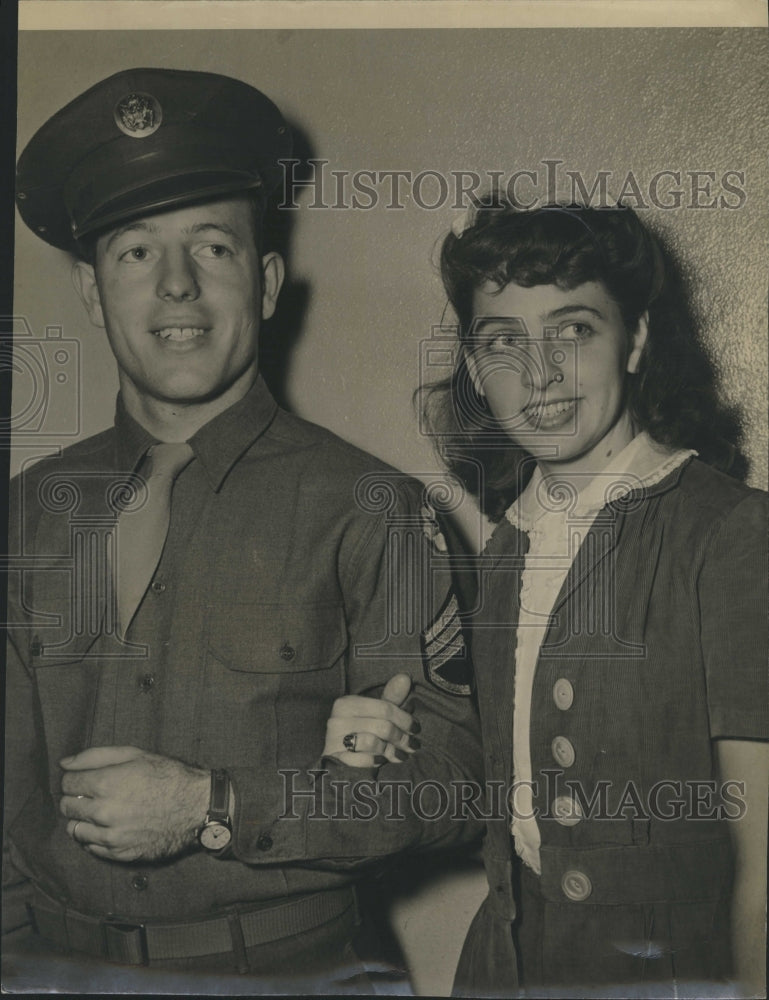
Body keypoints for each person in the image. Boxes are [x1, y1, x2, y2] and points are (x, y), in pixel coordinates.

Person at [3, 68, 484, 993]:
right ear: (93, 292)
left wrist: (211, 806)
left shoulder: (372, 508)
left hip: (290, 971)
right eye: (136, 253)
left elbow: (455, 783)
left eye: (212, 248)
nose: (177, 286)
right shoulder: (25, 515)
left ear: (264, 283)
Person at [325, 201, 768, 997]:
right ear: (472, 365)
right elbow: (505, 800)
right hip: (503, 971)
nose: (539, 374)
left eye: (573, 331)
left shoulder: (731, 534)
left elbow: (765, 873)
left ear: (634, 340)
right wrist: (386, 750)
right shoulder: (503, 549)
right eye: (503, 341)